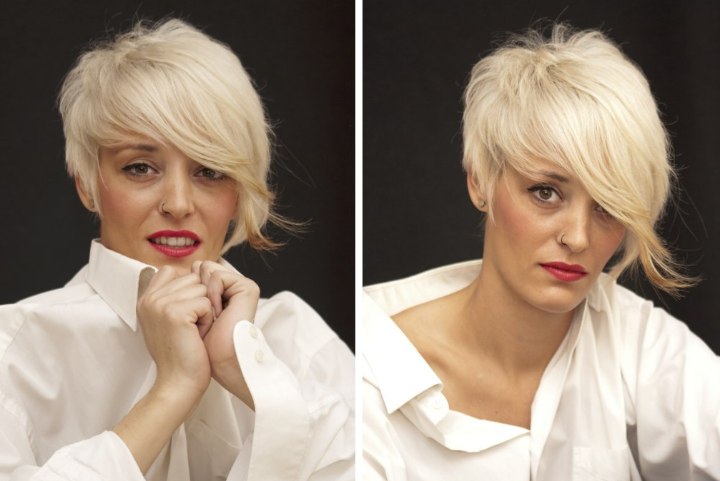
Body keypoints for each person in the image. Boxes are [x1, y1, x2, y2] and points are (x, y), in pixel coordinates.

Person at [0, 19, 354, 480]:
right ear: (87, 185)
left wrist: (249, 373)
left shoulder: (294, 337)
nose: (179, 204)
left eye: (209, 170)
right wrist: (173, 389)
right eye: (141, 167)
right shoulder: (15, 348)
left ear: (238, 193)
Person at [362, 24, 720, 480]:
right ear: (480, 181)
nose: (578, 237)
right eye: (546, 192)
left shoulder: (634, 339)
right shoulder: (370, 363)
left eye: (608, 205)